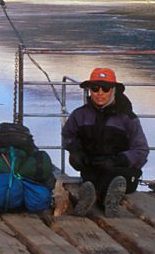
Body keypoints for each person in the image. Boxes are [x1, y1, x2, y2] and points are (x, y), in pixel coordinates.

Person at [62, 67, 149, 217]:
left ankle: (98, 198)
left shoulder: (128, 118)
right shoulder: (79, 114)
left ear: (114, 90)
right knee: (92, 178)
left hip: (121, 169)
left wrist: (119, 160)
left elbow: (141, 150)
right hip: (92, 166)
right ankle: (101, 198)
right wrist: (75, 151)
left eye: (106, 88)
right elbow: (67, 135)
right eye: (95, 88)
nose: (100, 93)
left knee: (116, 179)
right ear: (90, 91)